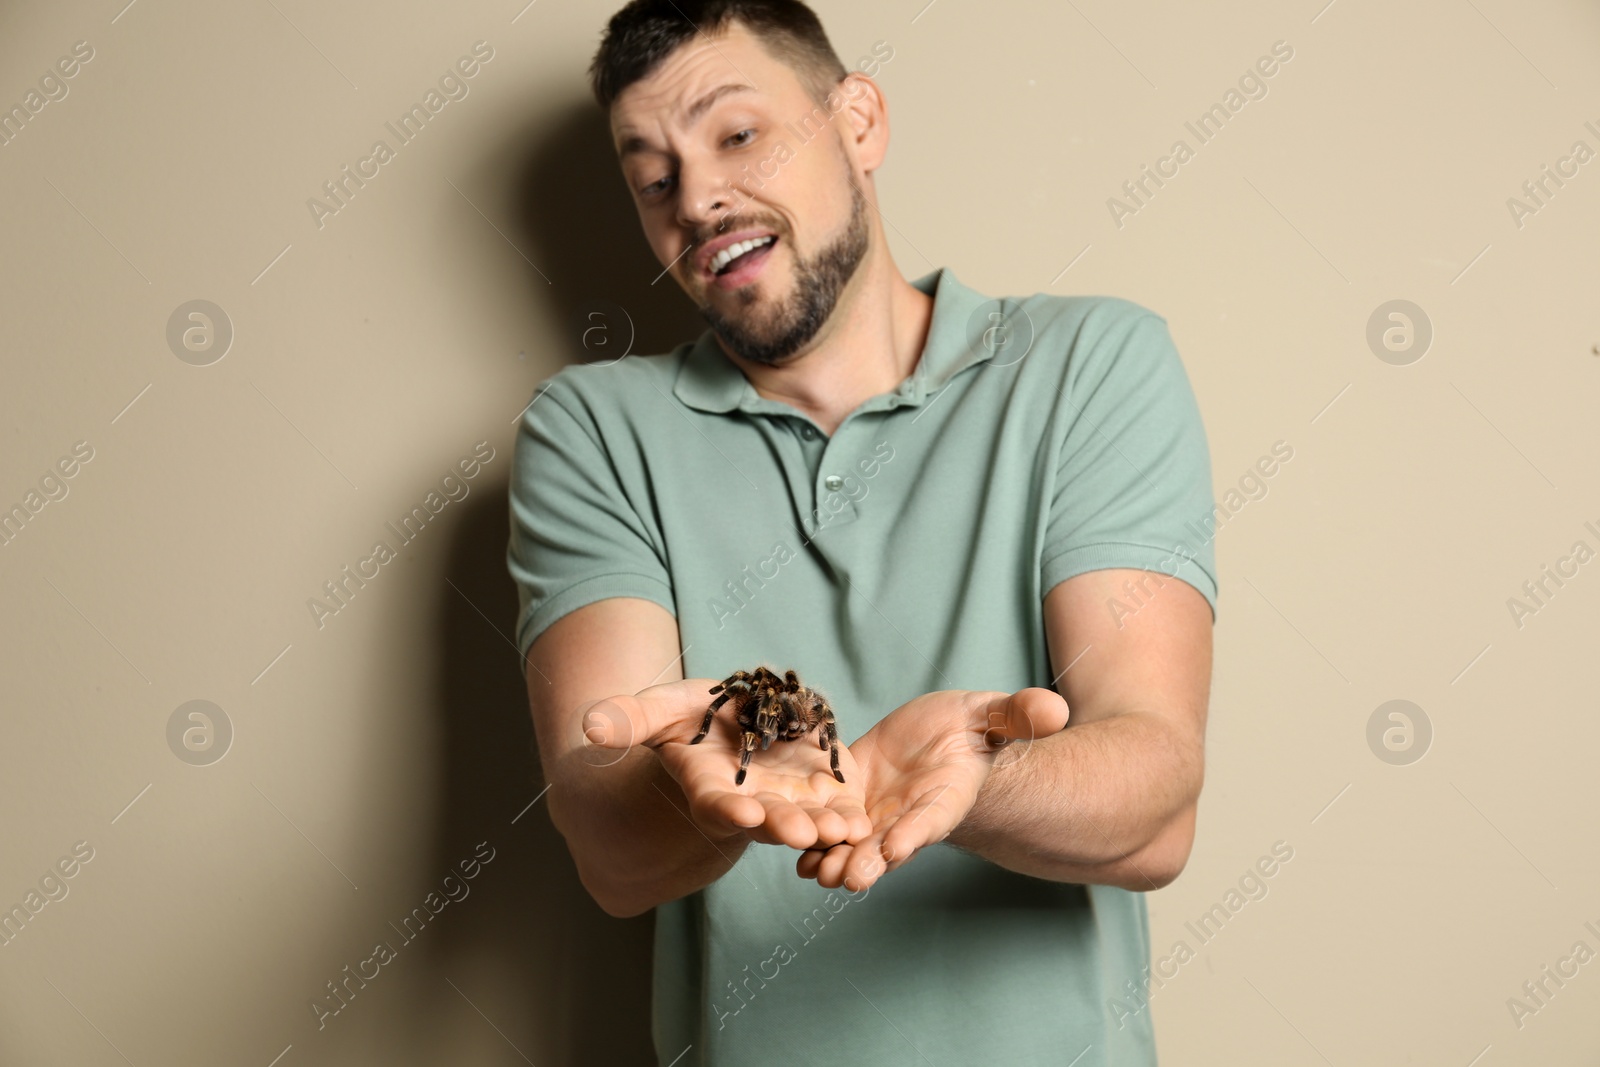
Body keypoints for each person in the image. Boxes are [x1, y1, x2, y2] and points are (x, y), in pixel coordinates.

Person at [505, 2, 1217, 1063]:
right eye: (653, 178)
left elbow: (1154, 801)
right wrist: (713, 784)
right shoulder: (592, 430)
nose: (696, 199)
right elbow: (612, 852)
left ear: (860, 122)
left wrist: (972, 778)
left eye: (736, 135)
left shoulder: (1090, 364)